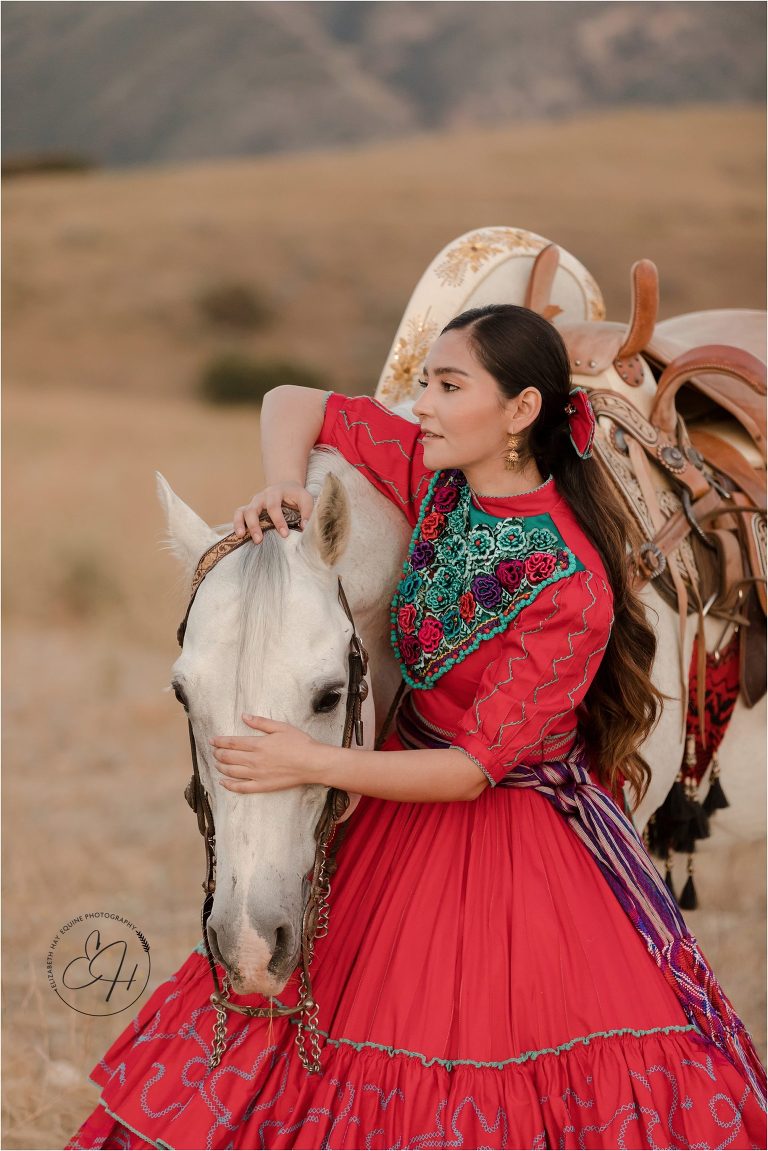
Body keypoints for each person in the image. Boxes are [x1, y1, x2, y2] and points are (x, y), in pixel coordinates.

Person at [68, 305, 765, 1150]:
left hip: (506, 837)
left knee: (462, 1061)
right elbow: (292, 397)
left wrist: (311, 760)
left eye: (447, 385)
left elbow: (472, 770)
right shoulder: (435, 477)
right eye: (426, 383)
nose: (421, 404)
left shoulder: (571, 585)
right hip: (395, 789)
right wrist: (284, 480)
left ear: (520, 413)